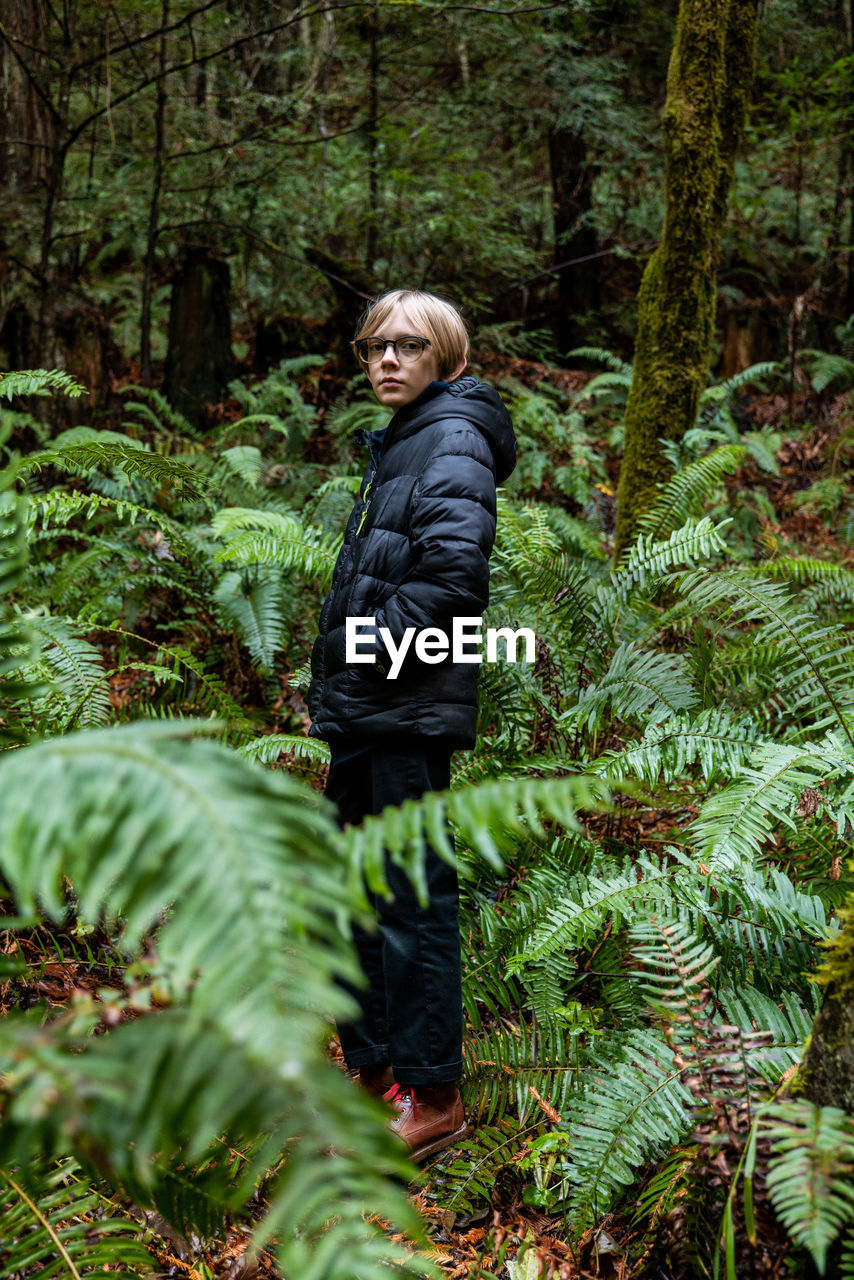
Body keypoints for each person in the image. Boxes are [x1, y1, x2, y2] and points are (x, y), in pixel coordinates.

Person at [308, 288, 516, 1161]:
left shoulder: (454, 437)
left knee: (410, 902)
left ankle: (431, 1096)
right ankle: (375, 1071)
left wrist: (363, 655)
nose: (386, 360)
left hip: (403, 711)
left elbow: (452, 581)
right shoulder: (406, 438)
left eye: (407, 346)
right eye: (374, 347)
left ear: (448, 358)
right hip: (370, 708)